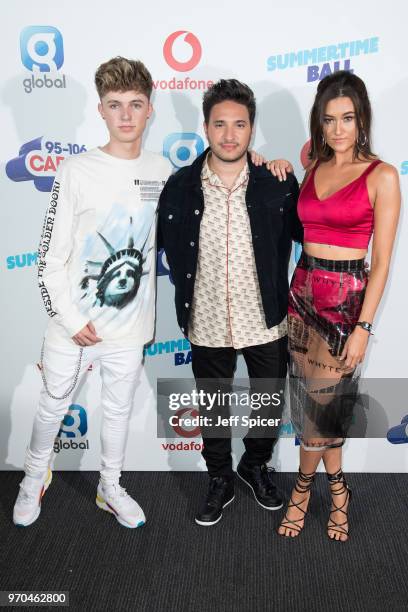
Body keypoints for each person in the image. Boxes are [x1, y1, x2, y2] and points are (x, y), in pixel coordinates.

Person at [13, 57, 172, 528]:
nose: (126, 115)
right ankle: (33, 477)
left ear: (150, 110)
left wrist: (269, 160)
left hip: (130, 330)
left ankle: (110, 486)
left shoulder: (162, 169)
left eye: (135, 104)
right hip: (75, 326)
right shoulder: (75, 170)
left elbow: (213, 183)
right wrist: (69, 319)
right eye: (115, 105)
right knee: (51, 408)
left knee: (118, 411)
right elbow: (48, 259)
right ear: (101, 110)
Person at [158, 79, 303, 526]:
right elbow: (162, 249)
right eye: (219, 124)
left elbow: (310, 235)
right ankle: (219, 477)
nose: (228, 134)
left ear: (251, 129)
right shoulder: (179, 186)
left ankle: (254, 465)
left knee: (268, 402)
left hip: (265, 320)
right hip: (206, 320)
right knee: (213, 405)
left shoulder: (276, 182)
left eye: (239, 124)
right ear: (205, 127)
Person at [270, 71, 400, 541]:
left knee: (320, 408)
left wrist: (365, 325)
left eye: (347, 118)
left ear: (361, 118)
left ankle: (304, 490)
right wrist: (277, 165)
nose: (339, 128)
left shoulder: (382, 175)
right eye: (329, 120)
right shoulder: (312, 169)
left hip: (346, 301)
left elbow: (382, 261)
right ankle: (338, 487)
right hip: (301, 292)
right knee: (313, 405)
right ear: (319, 125)